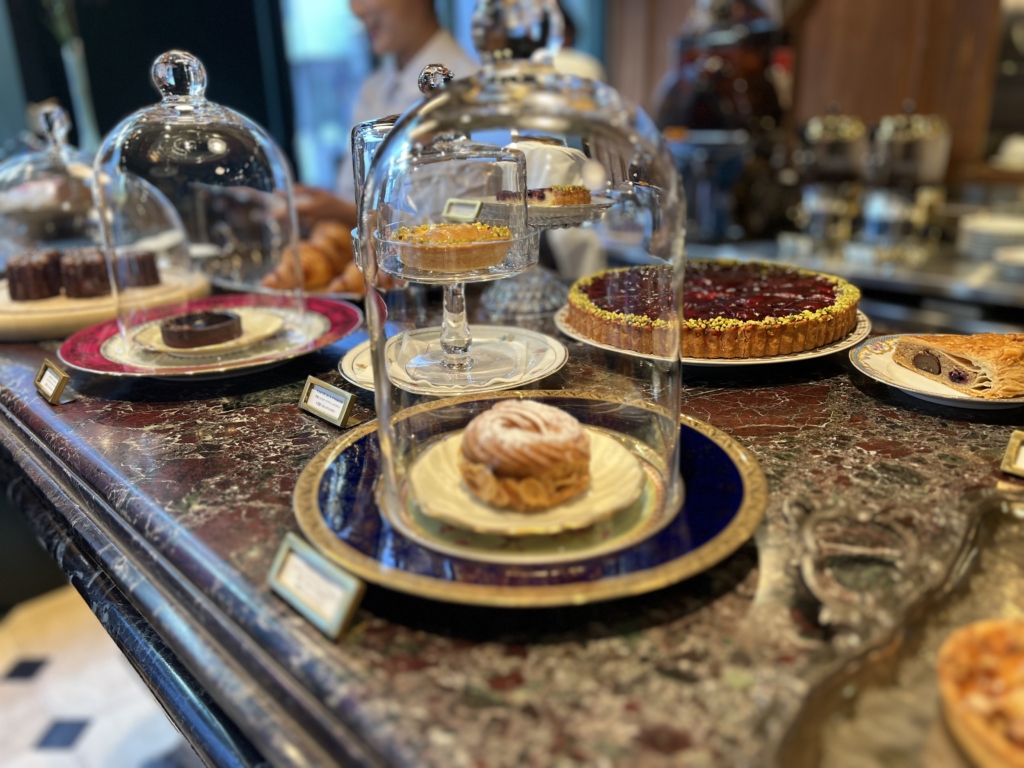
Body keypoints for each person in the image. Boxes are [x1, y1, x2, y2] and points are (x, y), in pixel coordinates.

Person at [294, 0, 478, 228]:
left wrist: (344, 214)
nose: (356, 9)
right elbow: (350, 193)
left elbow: (462, 227)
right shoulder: (372, 89)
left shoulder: (474, 97)